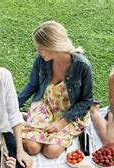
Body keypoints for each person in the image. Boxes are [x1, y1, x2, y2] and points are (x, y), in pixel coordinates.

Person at [18, 21, 93, 159]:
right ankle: (28, 116)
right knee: (32, 147)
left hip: (68, 112)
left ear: (54, 46)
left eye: (41, 48)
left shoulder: (82, 66)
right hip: (44, 105)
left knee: (50, 151)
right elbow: (32, 85)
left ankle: (27, 118)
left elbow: (87, 100)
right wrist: (14, 105)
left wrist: (62, 122)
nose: (38, 52)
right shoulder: (41, 60)